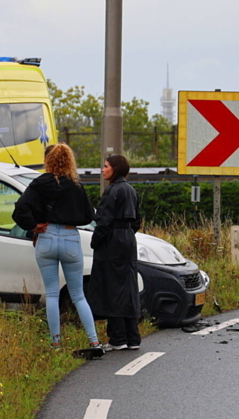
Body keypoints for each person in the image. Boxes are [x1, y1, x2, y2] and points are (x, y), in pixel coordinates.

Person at [13, 143, 101, 350]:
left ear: (48, 160)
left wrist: (33, 225)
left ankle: (56, 342)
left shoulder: (39, 183)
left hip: (47, 236)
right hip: (70, 238)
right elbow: (89, 216)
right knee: (78, 294)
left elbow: (19, 209)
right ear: (70, 161)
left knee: (52, 294)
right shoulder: (75, 185)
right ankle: (94, 341)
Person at [88, 155, 142, 351]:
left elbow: (103, 221)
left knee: (112, 288)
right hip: (128, 240)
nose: (103, 170)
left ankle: (118, 338)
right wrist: (126, 233)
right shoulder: (131, 190)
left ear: (115, 169)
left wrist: (95, 242)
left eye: (106, 166)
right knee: (128, 288)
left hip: (112, 242)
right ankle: (132, 337)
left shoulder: (111, 191)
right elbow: (137, 220)